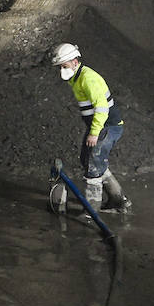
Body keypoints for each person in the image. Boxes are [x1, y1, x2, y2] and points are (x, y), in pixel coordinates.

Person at [50, 42, 131, 213]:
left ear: (75, 61)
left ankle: (91, 211)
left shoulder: (88, 78)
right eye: (59, 67)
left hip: (107, 126)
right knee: (88, 160)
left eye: (64, 65)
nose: (62, 70)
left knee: (93, 166)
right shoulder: (77, 77)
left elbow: (101, 108)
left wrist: (94, 133)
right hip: (100, 125)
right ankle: (119, 201)